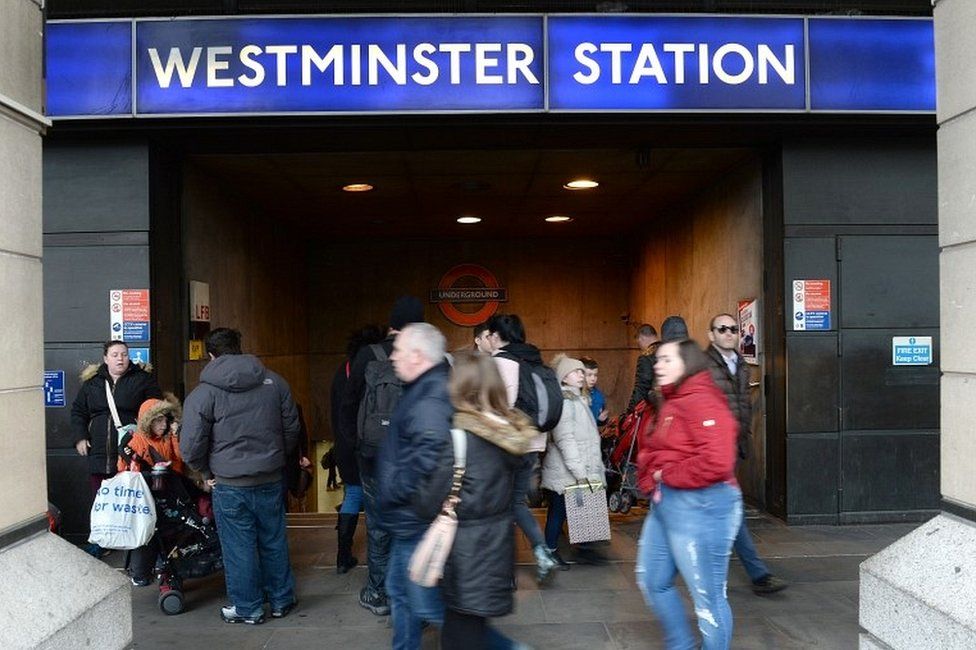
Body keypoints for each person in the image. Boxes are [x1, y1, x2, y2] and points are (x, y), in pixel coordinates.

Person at [180, 327, 301, 625]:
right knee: (273, 539)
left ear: (210, 355)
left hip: (229, 483)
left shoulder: (204, 393)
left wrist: (206, 471)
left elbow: (190, 445)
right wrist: (276, 459)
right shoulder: (275, 382)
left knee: (239, 547)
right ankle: (282, 600)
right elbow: (292, 428)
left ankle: (248, 608)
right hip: (270, 478)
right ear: (239, 347)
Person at [636, 339, 742, 650]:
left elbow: (718, 461)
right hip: (667, 503)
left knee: (708, 599)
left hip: (703, 505)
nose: (658, 365)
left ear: (689, 363)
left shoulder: (702, 400)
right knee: (653, 581)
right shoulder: (675, 399)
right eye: (657, 359)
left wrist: (664, 474)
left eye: (667, 359)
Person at [434, 350, 536, 649]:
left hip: (465, 549)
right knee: (471, 626)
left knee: (460, 632)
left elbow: (430, 498)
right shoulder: (513, 436)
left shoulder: (459, 438)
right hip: (498, 544)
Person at [340, 297, 425, 616]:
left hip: (374, 454)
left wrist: (357, 444)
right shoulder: (424, 356)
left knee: (378, 523)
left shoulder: (368, 354)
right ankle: (410, 588)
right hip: (413, 454)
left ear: (391, 323)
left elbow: (347, 405)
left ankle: (378, 591)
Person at [375, 323, 454, 650]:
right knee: (400, 592)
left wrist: (396, 490)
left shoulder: (429, 397)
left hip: (415, 516)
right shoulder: (423, 389)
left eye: (399, 350)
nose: (393, 356)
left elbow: (431, 454)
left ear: (418, 356)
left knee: (426, 604)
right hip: (410, 516)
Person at [705, 313, 787, 596]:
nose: (729, 333)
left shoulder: (740, 364)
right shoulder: (702, 366)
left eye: (733, 329)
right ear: (711, 334)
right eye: (722, 329)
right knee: (732, 510)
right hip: (711, 451)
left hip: (732, 448)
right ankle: (758, 574)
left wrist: (743, 440)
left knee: (722, 510)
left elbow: (741, 406)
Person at [71, 339, 162, 557]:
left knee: (130, 497)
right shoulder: (92, 384)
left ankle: (135, 543)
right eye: (115, 355)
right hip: (100, 450)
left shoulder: (143, 380)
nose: (120, 358)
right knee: (101, 497)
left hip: (131, 450)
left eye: (123, 354)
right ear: (105, 359)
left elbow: (157, 411)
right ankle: (102, 541)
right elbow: (78, 412)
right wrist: (80, 437)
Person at [486, 313, 559, 583]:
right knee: (516, 503)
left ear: (495, 336)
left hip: (505, 446)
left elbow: (494, 408)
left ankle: (505, 574)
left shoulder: (499, 363)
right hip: (532, 444)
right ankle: (542, 553)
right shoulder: (533, 359)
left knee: (497, 505)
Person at [542, 354, 606, 567]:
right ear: (563, 377)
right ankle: (549, 552)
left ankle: (583, 549)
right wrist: (580, 472)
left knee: (568, 511)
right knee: (558, 512)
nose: (581, 375)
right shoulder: (566, 403)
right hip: (568, 471)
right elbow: (565, 439)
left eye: (582, 371)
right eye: (576, 372)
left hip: (577, 468)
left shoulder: (578, 400)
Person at [116, 395, 188, 586]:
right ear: (149, 421)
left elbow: (180, 461)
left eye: (166, 419)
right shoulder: (136, 441)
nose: (164, 424)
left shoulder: (166, 438)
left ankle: (162, 567)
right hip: (145, 498)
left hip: (166, 494)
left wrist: (174, 436)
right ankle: (142, 572)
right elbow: (125, 472)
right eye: (159, 420)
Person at [332, 324, 385, 575]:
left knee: (352, 495)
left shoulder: (341, 372)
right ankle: (381, 557)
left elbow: (336, 412)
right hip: (370, 443)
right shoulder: (375, 371)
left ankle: (343, 556)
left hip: (344, 443)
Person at [627, 324, 660, 411]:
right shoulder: (669, 351)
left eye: (639, 343)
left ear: (641, 338)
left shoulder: (645, 357)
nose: (640, 347)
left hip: (654, 408)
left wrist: (629, 412)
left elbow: (641, 388)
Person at [580, 356, 609, 427]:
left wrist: (601, 420)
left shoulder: (598, 395)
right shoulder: (575, 394)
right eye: (589, 375)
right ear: (580, 375)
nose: (593, 379)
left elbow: (598, 421)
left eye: (595, 375)